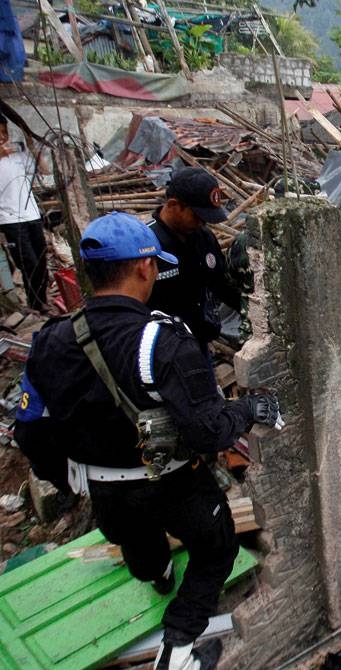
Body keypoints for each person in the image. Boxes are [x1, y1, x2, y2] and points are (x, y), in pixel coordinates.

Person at [13, 212, 282, 670]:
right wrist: (248, 409)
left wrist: (65, 480)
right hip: (174, 485)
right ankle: (178, 648)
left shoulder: (50, 341)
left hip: (107, 492)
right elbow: (208, 430)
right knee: (216, 549)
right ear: (144, 267)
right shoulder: (161, 341)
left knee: (140, 549)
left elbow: (30, 429)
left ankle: (158, 575)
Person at [148, 166, 241, 352]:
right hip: (163, 351)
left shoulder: (204, 238)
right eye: (197, 216)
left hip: (200, 344)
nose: (202, 223)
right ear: (174, 205)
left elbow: (222, 285)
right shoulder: (146, 246)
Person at [0, 113, 50, 313]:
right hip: (10, 220)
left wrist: (33, 147)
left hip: (32, 216)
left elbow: (45, 170)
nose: (2, 137)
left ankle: (40, 302)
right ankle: (36, 304)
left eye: (4, 132)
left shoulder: (19, 155)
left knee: (41, 260)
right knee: (28, 262)